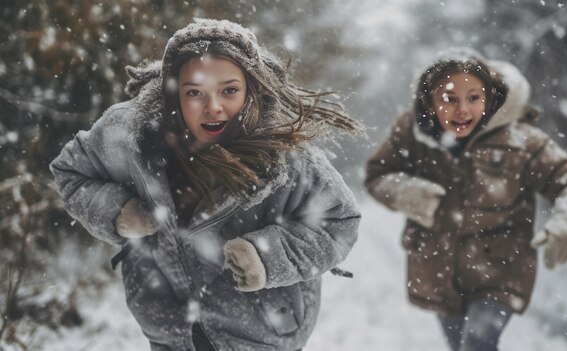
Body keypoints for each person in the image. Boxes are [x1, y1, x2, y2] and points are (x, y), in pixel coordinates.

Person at [50, 18, 362, 351]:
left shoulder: (288, 158)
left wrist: (266, 256)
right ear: (172, 92)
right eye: (195, 93)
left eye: (229, 90)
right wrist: (118, 211)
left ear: (251, 87)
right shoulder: (128, 136)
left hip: (261, 335)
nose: (213, 107)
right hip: (168, 328)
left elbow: (339, 222)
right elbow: (70, 173)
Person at [364, 49, 567, 351]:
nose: (463, 110)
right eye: (450, 99)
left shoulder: (522, 139)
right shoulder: (411, 133)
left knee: (478, 341)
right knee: (459, 343)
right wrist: (403, 191)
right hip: (437, 268)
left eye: (474, 98)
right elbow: (377, 174)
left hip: (500, 268)